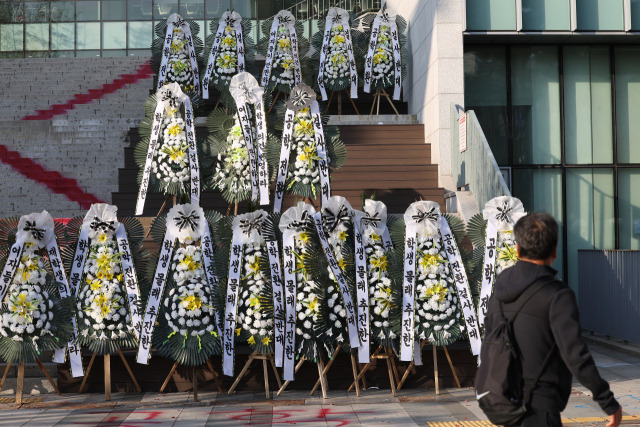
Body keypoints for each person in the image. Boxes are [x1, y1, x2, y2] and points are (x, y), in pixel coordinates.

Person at [484, 212, 622, 427]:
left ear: (518, 249)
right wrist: (608, 401)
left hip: (504, 401)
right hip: (541, 405)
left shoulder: (498, 293)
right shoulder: (557, 295)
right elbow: (576, 355)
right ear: (555, 251)